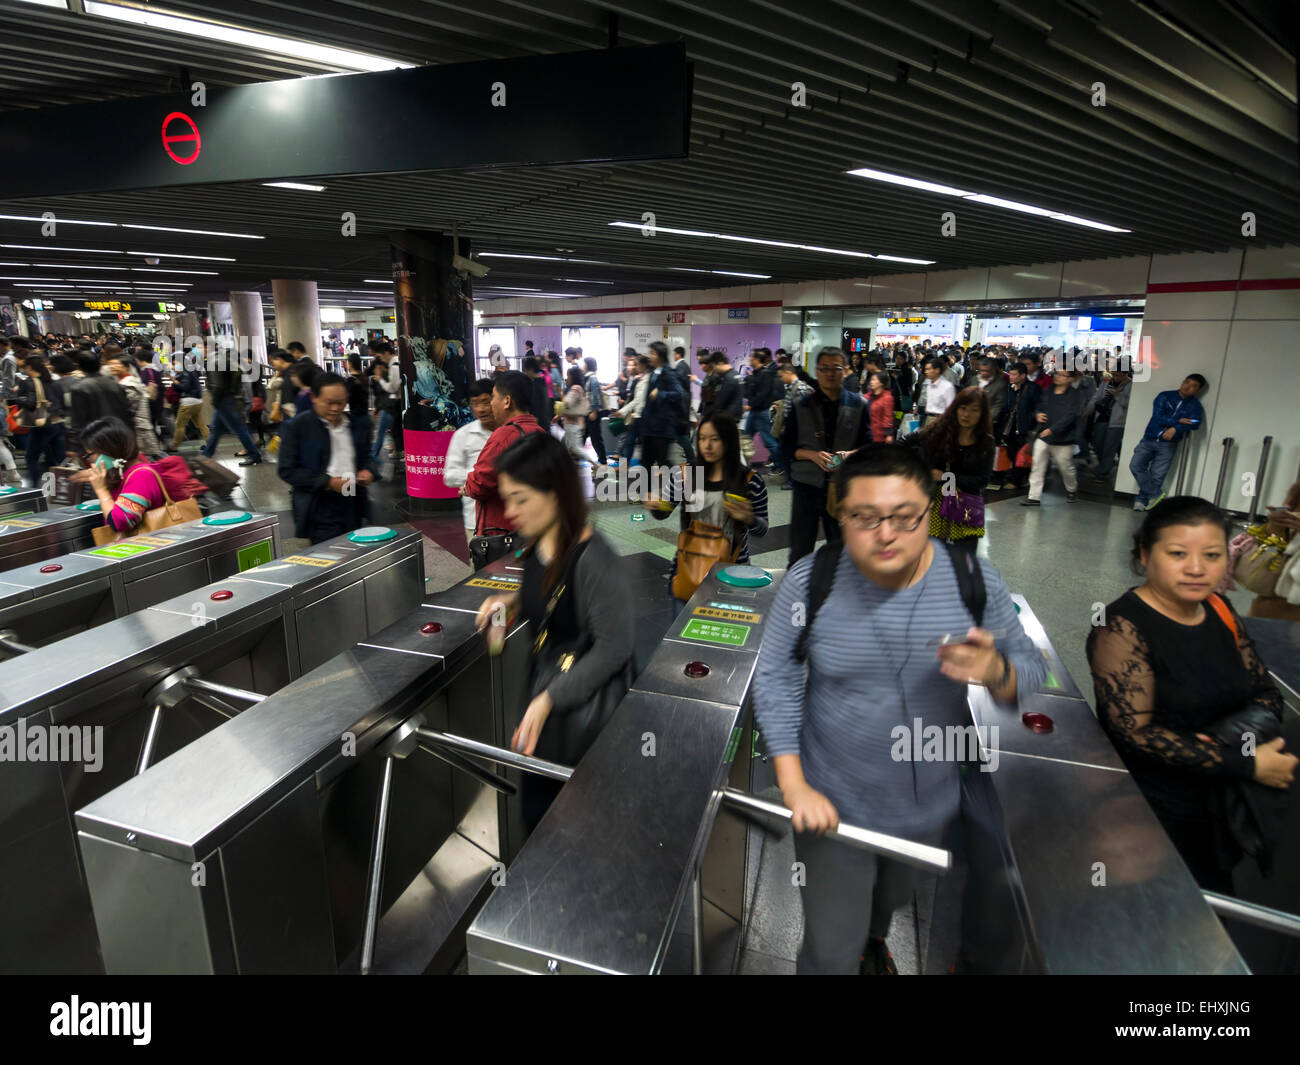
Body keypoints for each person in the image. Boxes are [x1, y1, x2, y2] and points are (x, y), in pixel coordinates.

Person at [754, 443, 1047, 974]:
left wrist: (998, 673)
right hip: (832, 804)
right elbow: (775, 679)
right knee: (830, 950)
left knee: (890, 898)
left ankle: (874, 938)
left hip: (928, 805)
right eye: (864, 518)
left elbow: (1030, 671)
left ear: (930, 510)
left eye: (904, 518)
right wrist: (794, 785)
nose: (885, 534)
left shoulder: (973, 582)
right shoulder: (810, 581)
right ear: (838, 514)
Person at [1087, 497, 1295, 893]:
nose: (1197, 569)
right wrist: (1248, 764)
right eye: (1178, 554)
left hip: (1219, 802)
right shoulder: (1121, 628)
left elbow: (1265, 691)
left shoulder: (1218, 607)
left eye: (1213, 555)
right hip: (1153, 813)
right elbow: (1136, 735)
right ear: (1146, 555)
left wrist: (1222, 746)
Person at [473, 432, 635, 831]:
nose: (510, 511)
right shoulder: (538, 543)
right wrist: (509, 603)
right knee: (539, 822)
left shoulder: (596, 560)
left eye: (521, 499)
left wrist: (549, 699)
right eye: (507, 498)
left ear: (557, 493)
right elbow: (549, 597)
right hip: (545, 713)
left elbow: (616, 647)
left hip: (580, 724)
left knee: (571, 830)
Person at [650, 413, 769, 612]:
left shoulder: (750, 480)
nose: (707, 445)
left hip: (733, 572)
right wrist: (656, 505)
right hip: (689, 568)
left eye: (715, 439)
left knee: (724, 638)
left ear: (729, 441)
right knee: (683, 638)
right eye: (702, 439)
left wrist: (749, 519)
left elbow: (762, 529)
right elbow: (664, 511)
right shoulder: (685, 474)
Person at [780, 347, 871, 567]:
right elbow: (785, 446)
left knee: (842, 549)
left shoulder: (858, 404)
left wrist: (850, 455)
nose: (830, 373)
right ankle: (796, 595)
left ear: (845, 370)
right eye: (824, 369)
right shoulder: (801, 404)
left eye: (836, 368)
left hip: (843, 489)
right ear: (817, 371)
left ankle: (839, 595)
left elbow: (870, 446)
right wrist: (810, 455)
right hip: (807, 486)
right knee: (800, 550)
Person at [277, 371, 378, 544]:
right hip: (320, 504)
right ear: (313, 397)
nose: (335, 408)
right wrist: (329, 482)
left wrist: (369, 470)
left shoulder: (354, 424)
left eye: (340, 403)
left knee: (355, 551)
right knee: (329, 556)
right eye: (329, 403)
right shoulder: (297, 427)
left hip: (352, 498)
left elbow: (365, 456)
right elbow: (287, 470)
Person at [72, 416, 204, 534]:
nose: (90, 460)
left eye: (90, 455)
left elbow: (120, 523)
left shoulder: (140, 475)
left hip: (149, 548)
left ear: (108, 449)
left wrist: (101, 490)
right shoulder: (126, 468)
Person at [908, 387, 995, 553]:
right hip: (936, 503)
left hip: (968, 504)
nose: (966, 415)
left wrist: (947, 476)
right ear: (955, 408)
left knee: (965, 560)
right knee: (933, 557)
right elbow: (905, 443)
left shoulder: (986, 442)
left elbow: (983, 480)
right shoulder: (939, 430)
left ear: (982, 413)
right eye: (962, 408)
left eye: (974, 410)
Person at [464, 370, 547, 541]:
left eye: (493, 398)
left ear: (507, 401)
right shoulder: (540, 433)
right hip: (533, 529)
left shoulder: (503, 436)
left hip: (501, 534)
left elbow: (479, 484)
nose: (491, 404)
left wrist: (467, 485)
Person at [1129, 374, 1207, 511]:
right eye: (1187, 382)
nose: (1188, 387)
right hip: (1149, 438)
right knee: (1135, 465)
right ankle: (1156, 494)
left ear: (1198, 390)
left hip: (1169, 444)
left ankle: (1142, 501)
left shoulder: (1195, 405)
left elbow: (1195, 423)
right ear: (1183, 381)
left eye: (1194, 386)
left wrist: (1175, 428)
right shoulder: (1165, 396)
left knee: (1157, 475)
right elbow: (1158, 417)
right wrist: (1179, 421)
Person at [443, 379, 497, 549]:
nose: (481, 409)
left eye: (486, 402)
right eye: (475, 403)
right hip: (476, 521)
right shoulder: (463, 435)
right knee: (480, 571)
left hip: (509, 518)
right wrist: (481, 476)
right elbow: (450, 476)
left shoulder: (509, 432)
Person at [1021, 368, 1083, 507]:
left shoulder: (1075, 395)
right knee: (1038, 465)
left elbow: (1070, 417)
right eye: (1057, 374)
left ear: (1070, 379)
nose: (1058, 377)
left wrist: (1052, 430)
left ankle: (1072, 489)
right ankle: (1034, 496)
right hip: (1043, 435)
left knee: (1065, 466)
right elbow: (1039, 406)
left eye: (1062, 375)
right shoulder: (1048, 391)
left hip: (1063, 438)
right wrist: (1037, 414)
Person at [13, 353, 67, 488]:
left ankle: (35, 488)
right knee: (60, 460)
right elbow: (63, 404)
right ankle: (64, 489)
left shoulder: (29, 382)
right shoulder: (54, 382)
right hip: (59, 423)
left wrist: (17, 396)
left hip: (42, 425)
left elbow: (31, 404)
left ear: (29, 367)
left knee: (31, 457)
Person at [66, 350, 132, 453]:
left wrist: (76, 447)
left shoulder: (78, 388)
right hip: (119, 435)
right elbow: (127, 412)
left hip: (95, 439)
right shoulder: (116, 385)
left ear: (79, 367)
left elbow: (78, 420)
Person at [201, 360, 263, 467]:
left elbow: (218, 385)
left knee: (239, 429)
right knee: (216, 429)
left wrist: (215, 400)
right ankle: (206, 454)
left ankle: (254, 455)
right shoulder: (222, 361)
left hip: (226, 401)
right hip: (226, 400)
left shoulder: (216, 362)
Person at [636, 341, 683, 474]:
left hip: (662, 427)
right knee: (646, 462)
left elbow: (679, 394)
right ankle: (646, 493)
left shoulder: (669, 373)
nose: (649, 356)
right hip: (649, 426)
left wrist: (660, 394)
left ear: (661, 356)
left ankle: (678, 486)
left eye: (652, 353)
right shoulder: (652, 372)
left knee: (662, 462)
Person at [104, 353, 161, 458]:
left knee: (140, 460)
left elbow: (128, 409)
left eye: (116, 364)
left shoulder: (129, 384)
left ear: (126, 367)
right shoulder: (123, 382)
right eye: (110, 364)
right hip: (132, 428)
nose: (112, 366)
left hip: (136, 429)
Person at [743, 347, 783, 475]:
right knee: (745, 438)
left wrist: (751, 404)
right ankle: (743, 466)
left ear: (756, 359)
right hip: (754, 412)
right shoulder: (754, 374)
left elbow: (762, 394)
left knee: (769, 441)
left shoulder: (765, 374)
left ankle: (781, 465)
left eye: (751, 357)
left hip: (761, 413)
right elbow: (748, 392)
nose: (749, 359)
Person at [1088, 369, 1132, 479]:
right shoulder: (1107, 382)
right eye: (1114, 374)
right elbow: (1096, 397)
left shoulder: (1131, 385)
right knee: (1097, 444)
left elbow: (1130, 404)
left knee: (1110, 447)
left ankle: (1102, 471)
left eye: (1119, 375)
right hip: (1102, 417)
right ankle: (1106, 465)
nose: (1116, 377)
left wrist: (1117, 395)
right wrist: (1087, 411)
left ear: (1125, 373)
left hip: (1118, 421)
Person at [559, 366, 591, 465]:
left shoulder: (575, 389)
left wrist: (559, 392)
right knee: (565, 445)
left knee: (576, 448)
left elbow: (567, 403)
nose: (566, 378)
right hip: (573, 423)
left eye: (568, 376)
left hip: (573, 424)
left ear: (573, 377)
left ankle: (595, 464)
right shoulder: (578, 388)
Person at [918, 357, 956, 426]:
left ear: (937, 370)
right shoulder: (929, 384)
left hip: (939, 420)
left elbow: (951, 408)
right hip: (928, 418)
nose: (926, 372)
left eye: (928, 369)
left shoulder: (946, 386)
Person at [521, 355, 553, 426]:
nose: (525, 374)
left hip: (539, 423)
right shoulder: (544, 380)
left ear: (531, 370)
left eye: (525, 371)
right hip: (546, 420)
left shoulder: (535, 385)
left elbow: (536, 405)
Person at [865, 370, 896, 445]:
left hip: (879, 435)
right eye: (871, 380)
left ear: (881, 383)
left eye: (874, 380)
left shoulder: (887, 398)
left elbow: (888, 417)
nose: (871, 382)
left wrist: (889, 434)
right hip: (867, 433)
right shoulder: (868, 396)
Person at [974, 358, 1007, 425]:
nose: (984, 373)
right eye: (982, 370)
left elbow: (998, 405)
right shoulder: (974, 379)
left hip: (987, 421)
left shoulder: (1000, 384)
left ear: (993, 370)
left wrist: (986, 418)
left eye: (987, 371)